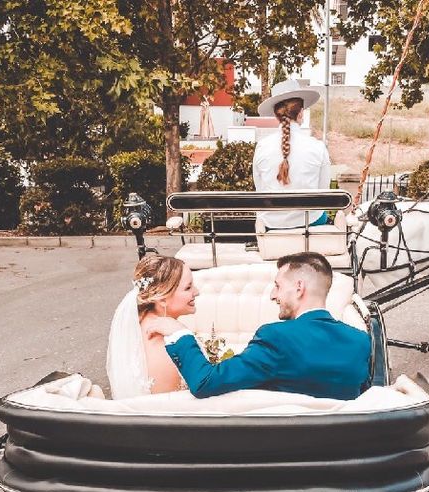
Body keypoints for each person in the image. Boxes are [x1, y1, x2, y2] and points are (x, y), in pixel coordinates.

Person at [145, 252, 371, 400]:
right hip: (342, 453)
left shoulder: (276, 337)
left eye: (277, 286)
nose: (273, 296)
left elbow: (206, 383)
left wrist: (179, 333)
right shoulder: (360, 341)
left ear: (299, 288)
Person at [105, 255, 200, 398]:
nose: (197, 292)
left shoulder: (139, 323)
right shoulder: (166, 349)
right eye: (188, 287)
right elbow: (173, 409)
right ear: (162, 299)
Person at [253, 79, 332, 229]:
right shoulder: (317, 147)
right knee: (321, 214)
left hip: (271, 223)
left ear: (276, 115)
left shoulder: (262, 147)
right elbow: (323, 192)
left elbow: (260, 188)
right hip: (309, 222)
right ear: (301, 113)